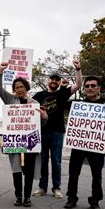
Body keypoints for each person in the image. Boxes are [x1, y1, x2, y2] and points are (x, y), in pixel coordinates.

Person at [0, 63, 48, 207]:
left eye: (21, 86)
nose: (19, 89)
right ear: (14, 89)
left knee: (29, 171)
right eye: (16, 87)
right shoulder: (10, 100)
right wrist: (0, 73)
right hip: (15, 142)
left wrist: (44, 117)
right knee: (16, 170)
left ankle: (27, 197)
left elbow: (41, 125)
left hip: (30, 142)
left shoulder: (35, 103)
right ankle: (18, 196)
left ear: (26, 87)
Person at [64, 76, 105, 209]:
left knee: (97, 175)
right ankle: (71, 198)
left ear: (99, 88)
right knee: (73, 173)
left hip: (96, 146)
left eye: (93, 86)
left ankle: (95, 200)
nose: (90, 88)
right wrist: (64, 88)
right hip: (79, 145)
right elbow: (61, 101)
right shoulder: (77, 105)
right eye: (87, 86)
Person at [32, 58, 83, 199]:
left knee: (56, 161)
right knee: (42, 161)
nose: (54, 81)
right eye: (52, 79)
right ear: (48, 80)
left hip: (57, 132)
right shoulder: (39, 95)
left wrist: (78, 69)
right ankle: (42, 187)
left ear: (59, 82)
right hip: (41, 133)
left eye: (57, 80)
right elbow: (26, 107)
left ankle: (56, 188)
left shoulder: (63, 94)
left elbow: (79, 84)